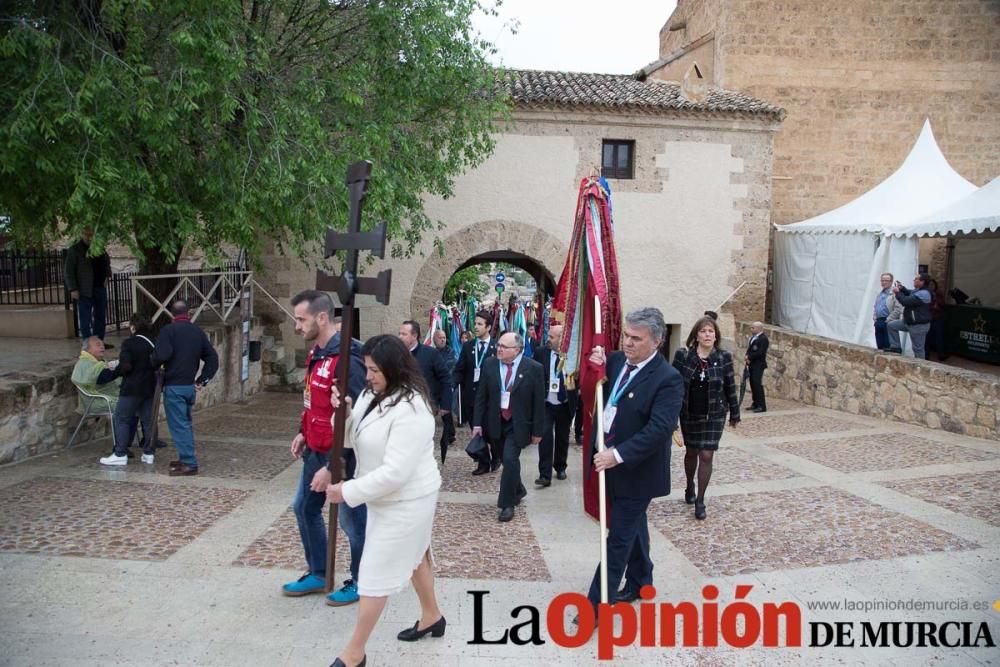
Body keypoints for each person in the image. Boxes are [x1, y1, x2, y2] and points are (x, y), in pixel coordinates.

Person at [324, 335, 445, 667]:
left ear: (394, 368)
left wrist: (346, 492)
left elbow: (395, 473)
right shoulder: (370, 394)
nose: (368, 375)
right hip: (383, 497)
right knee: (416, 554)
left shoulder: (413, 408)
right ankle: (432, 615)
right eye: (366, 368)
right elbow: (354, 437)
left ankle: (354, 653)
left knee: (375, 571)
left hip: (409, 499)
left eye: (375, 369)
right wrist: (345, 413)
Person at [582, 307, 683, 612]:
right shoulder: (614, 362)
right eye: (626, 335)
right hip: (606, 463)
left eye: (636, 339)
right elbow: (592, 395)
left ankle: (596, 606)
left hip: (637, 471)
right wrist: (593, 369)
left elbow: (659, 429)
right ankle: (641, 580)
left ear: (656, 342)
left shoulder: (668, 378)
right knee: (634, 526)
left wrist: (619, 455)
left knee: (618, 538)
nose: (627, 343)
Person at [282, 290, 369, 606]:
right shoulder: (317, 354)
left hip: (342, 458)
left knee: (352, 521)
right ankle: (318, 571)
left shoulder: (350, 359)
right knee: (303, 507)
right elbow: (314, 402)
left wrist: (334, 466)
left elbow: (357, 419)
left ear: (322, 318)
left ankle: (362, 580)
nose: (296, 326)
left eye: (301, 319)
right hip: (315, 450)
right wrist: (302, 432)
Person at [472, 331, 545, 522]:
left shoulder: (534, 368)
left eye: (504, 347)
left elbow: (538, 402)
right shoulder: (489, 364)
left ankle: (506, 504)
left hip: (518, 424)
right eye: (499, 345)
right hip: (495, 423)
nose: (499, 349)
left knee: (511, 459)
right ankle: (518, 489)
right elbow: (481, 396)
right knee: (507, 461)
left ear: (517, 350)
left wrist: (538, 431)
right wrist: (477, 423)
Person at [672, 316, 740, 520]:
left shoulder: (723, 357)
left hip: (714, 414)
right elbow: (674, 387)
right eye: (703, 331)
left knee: (707, 455)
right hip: (690, 413)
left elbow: (730, 386)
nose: (707, 335)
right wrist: (671, 416)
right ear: (696, 335)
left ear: (716, 335)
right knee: (692, 452)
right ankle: (689, 485)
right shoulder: (684, 357)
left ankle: (700, 500)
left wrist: (735, 413)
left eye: (711, 331)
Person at [151, 300, 218, 476]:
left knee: (179, 425)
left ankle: (189, 462)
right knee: (185, 424)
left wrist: (154, 362)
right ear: (188, 313)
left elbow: (162, 355)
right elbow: (212, 358)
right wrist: (202, 380)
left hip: (174, 385)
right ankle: (184, 458)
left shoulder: (168, 331)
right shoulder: (197, 332)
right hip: (189, 386)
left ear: (172, 314)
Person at [98, 314, 158, 466]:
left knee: (122, 418)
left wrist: (111, 374)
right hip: (150, 388)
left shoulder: (129, 343)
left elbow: (125, 366)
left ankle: (120, 453)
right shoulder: (154, 343)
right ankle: (148, 453)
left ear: (133, 327)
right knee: (148, 421)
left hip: (131, 389)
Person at [398, 321, 453, 459]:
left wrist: (445, 405)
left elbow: (445, 378)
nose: (400, 336)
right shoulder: (395, 355)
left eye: (403, 334)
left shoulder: (430, 354)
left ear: (414, 336)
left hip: (426, 405)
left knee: (421, 442)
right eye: (399, 333)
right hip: (400, 405)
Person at [452, 311, 498, 473]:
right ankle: (483, 463)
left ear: (488, 327)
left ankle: (496, 455)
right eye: (475, 323)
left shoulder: (497, 347)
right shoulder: (468, 346)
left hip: (491, 399)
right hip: (471, 397)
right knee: (477, 431)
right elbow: (460, 369)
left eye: (480, 324)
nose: (476, 327)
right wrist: (452, 384)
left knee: (491, 431)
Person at [532, 324, 577, 486]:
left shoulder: (572, 355)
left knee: (562, 437)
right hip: (546, 403)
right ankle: (544, 474)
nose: (548, 339)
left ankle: (560, 466)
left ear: (562, 338)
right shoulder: (541, 353)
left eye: (552, 337)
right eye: (548, 336)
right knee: (544, 436)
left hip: (565, 402)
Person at [64, 229, 113, 346]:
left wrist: (107, 276)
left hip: (99, 287)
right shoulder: (75, 250)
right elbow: (68, 271)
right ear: (82, 234)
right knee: (85, 318)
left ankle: (99, 342)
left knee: (100, 317)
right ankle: (87, 344)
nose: (89, 237)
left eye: (91, 234)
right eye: (87, 234)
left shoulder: (99, 248)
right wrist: (73, 288)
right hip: (84, 289)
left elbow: (106, 263)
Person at [72, 336, 122, 414]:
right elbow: (101, 378)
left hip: (107, 396)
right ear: (88, 349)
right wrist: (120, 368)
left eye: (103, 345)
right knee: (129, 404)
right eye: (98, 345)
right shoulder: (84, 363)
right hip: (95, 401)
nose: (102, 347)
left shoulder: (99, 362)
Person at [888, 273, 933, 358]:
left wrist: (897, 293)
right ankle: (896, 348)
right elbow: (910, 292)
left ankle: (921, 366)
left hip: (919, 325)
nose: (914, 280)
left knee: (918, 349)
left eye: (916, 279)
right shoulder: (918, 290)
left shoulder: (924, 293)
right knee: (891, 325)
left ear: (922, 281)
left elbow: (906, 301)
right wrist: (902, 288)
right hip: (909, 322)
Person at [432, 329, 457, 462]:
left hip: (446, 385)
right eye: (440, 337)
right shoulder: (432, 351)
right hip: (435, 386)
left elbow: (449, 365)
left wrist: (436, 368)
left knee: (447, 412)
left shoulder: (450, 351)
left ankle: (449, 435)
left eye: (444, 337)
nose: (443, 340)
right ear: (435, 339)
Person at [745, 321, 769, 413]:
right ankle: (755, 403)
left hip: (758, 365)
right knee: (753, 384)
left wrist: (749, 357)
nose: (751, 329)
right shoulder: (754, 338)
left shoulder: (763, 339)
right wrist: (747, 357)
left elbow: (760, 352)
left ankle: (761, 406)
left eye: (753, 328)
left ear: (758, 328)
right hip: (752, 364)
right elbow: (750, 349)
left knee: (757, 384)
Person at [925, 279, 948, 361]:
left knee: (939, 337)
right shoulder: (925, 293)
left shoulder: (938, 293)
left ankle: (940, 354)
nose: (931, 287)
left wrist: (937, 302)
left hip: (937, 318)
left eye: (933, 285)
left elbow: (943, 304)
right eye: (930, 285)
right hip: (928, 318)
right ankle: (926, 355)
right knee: (927, 337)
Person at [873, 272, 894, 350]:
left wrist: (889, 319)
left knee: (887, 345)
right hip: (879, 321)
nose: (884, 282)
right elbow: (876, 306)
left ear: (891, 281)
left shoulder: (894, 294)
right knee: (880, 345)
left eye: (886, 280)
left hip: (888, 321)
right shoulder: (880, 294)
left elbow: (898, 309)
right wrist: (875, 318)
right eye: (882, 280)